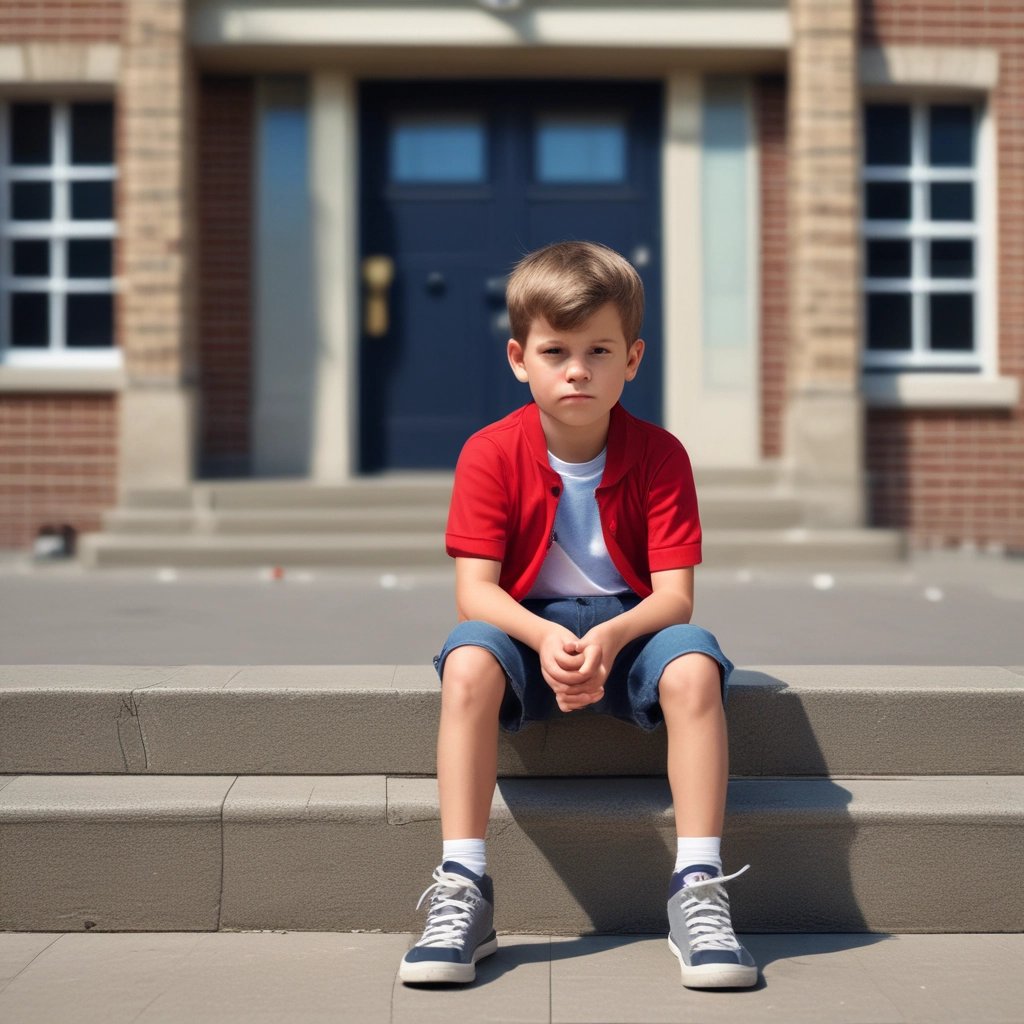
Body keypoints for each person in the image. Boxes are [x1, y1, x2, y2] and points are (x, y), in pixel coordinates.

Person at [398, 241, 757, 990]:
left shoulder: (662, 456)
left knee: (694, 662)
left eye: (599, 350)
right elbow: (477, 593)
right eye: (555, 350)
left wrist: (614, 634)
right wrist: (542, 634)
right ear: (517, 357)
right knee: (466, 657)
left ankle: (696, 887)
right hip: (526, 632)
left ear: (633, 358)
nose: (576, 370)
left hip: (631, 631)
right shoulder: (489, 453)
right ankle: (465, 888)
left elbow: (675, 597)